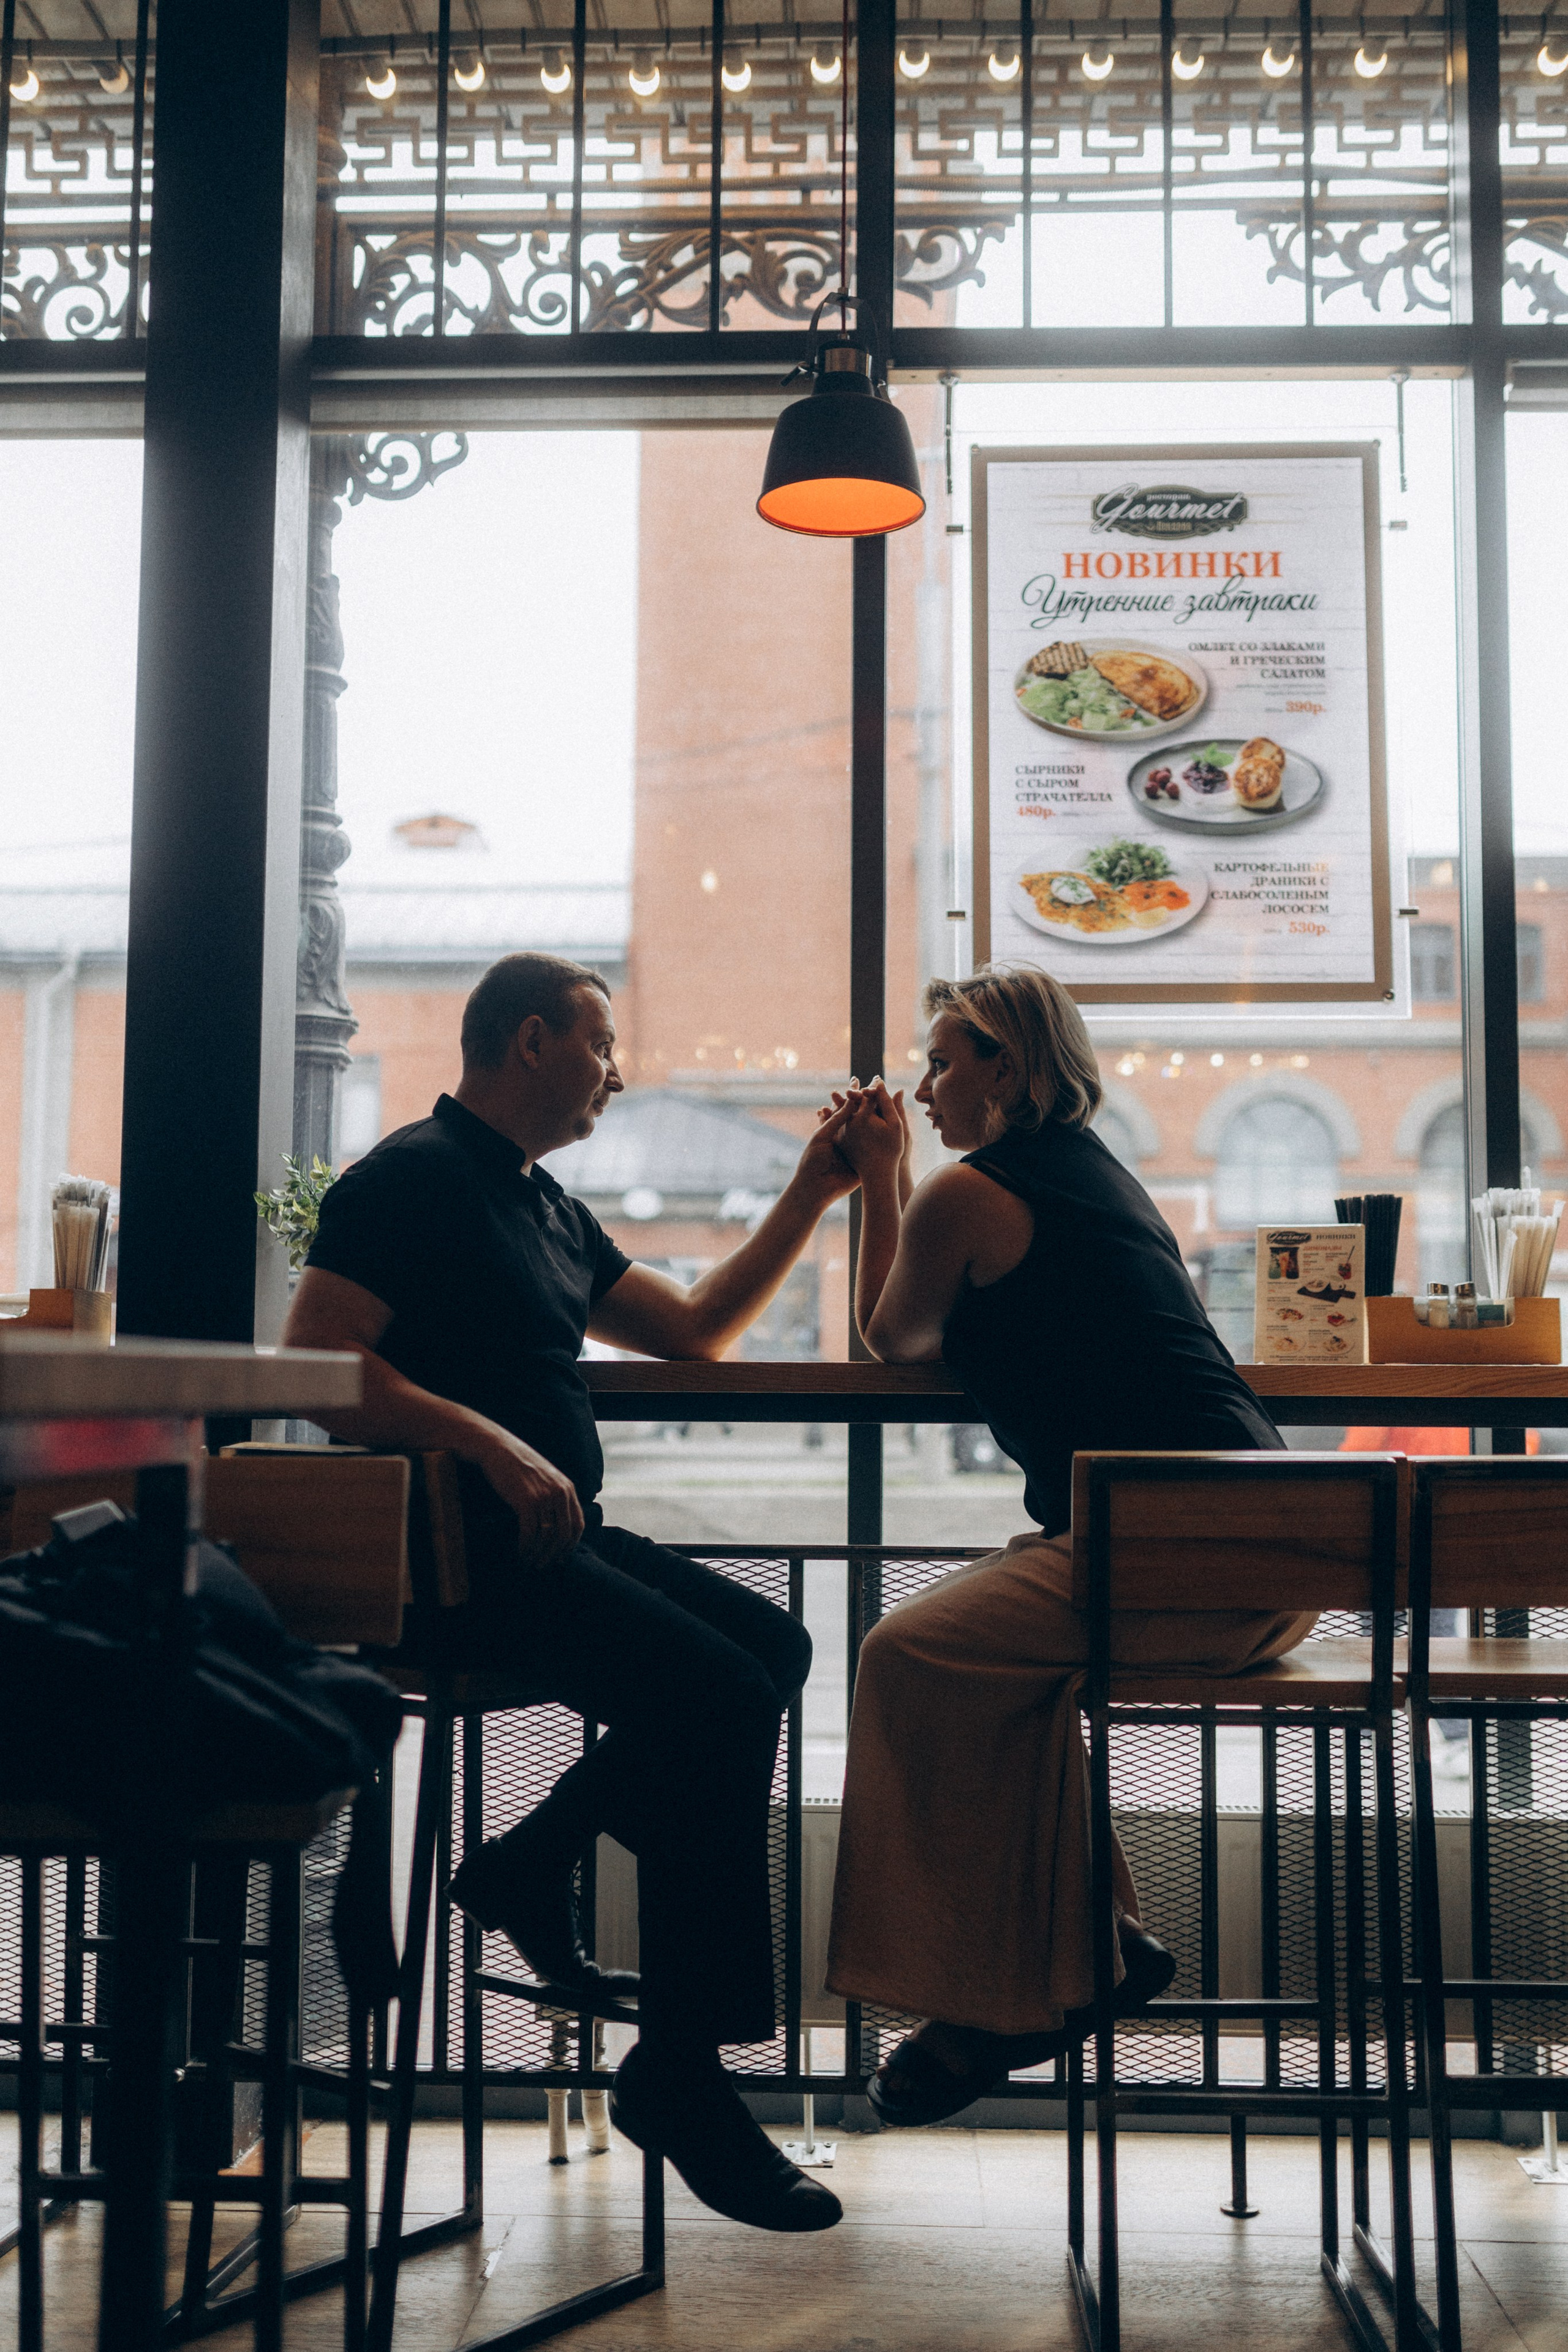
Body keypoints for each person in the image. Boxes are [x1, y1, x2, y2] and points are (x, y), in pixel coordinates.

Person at [283, 951, 858, 2232]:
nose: (617, 1068)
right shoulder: (412, 1178)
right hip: (451, 1567)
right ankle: (682, 2068)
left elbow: (697, 1326)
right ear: (531, 1040)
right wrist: (487, 1438)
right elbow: (317, 1364)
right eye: (601, 1043)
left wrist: (812, 1191)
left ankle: (532, 1863)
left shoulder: (543, 1206)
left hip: (548, 1546)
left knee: (772, 1646)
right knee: (711, 1695)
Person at [821, 965, 1312, 2126]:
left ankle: (998, 2005)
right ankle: (1103, 1939)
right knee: (1003, 1665)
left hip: (1174, 1547)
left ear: (1007, 1065)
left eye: (945, 1060)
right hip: (1283, 1551)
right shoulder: (1107, 1180)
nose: (927, 1084)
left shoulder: (966, 1192)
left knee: (906, 1655)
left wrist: (881, 1177)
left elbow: (892, 1335)